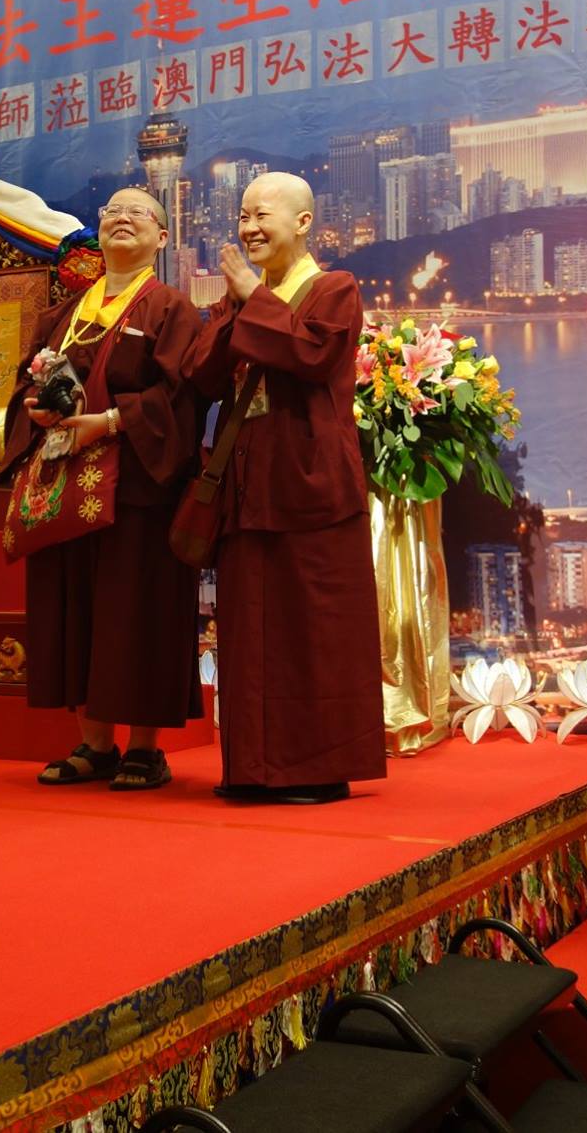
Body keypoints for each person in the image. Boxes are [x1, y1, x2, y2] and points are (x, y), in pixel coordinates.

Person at [184, 172, 383, 805]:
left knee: (315, 626)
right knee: (249, 626)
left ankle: (318, 770)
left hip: (309, 477)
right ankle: (252, 768)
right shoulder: (245, 296)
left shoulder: (334, 288)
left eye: (261, 215)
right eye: (243, 216)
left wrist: (253, 298)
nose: (248, 228)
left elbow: (313, 356)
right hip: (249, 478)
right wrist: (238, 303)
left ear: (302, 222)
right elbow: (201, 373)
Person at [2, 188, 206, 790]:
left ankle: (145, 748)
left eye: (138, 212)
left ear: (162, 237)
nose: (122, 218)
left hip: (139, 487)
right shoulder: (64, 313)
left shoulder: (170, 308)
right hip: (68, 485)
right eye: (113, 211)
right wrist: (37, 409)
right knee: (77, 609)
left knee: (137, 611)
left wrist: (111, 421)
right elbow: (26, 385)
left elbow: (182, 398)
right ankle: (94, 744)